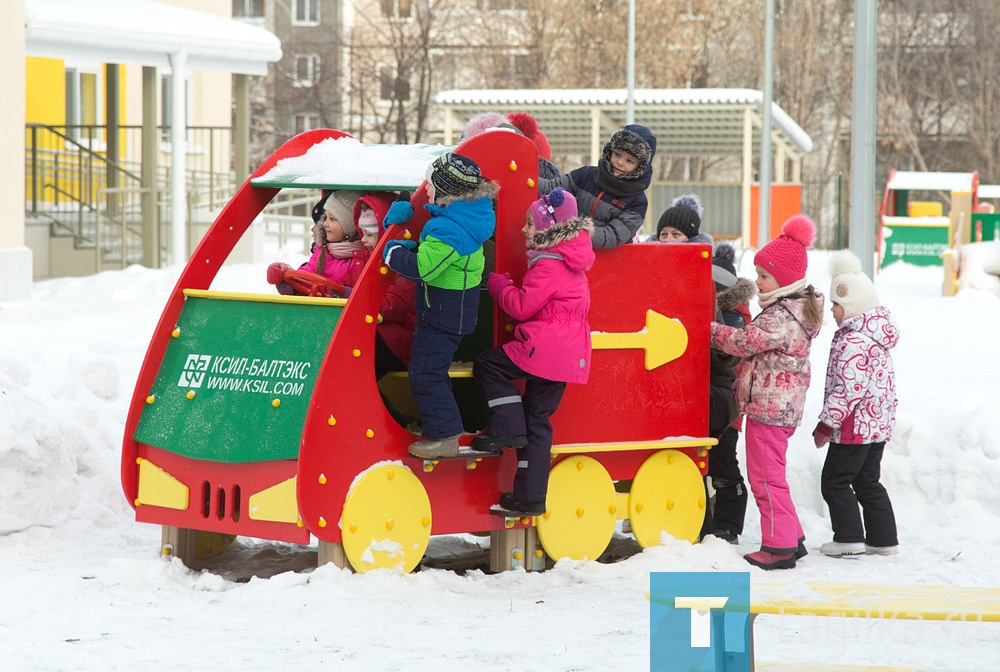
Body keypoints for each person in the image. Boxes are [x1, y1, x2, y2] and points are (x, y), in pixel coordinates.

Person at [709, 215, 824, 570]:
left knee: (764, 478)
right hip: (776, 409)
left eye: (764, 276)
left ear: (785, 280)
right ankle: (792, 535)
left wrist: (709, 329)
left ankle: (779, 547)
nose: (758, 282)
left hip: (768, 412)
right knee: (771, 474)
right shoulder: (795, 310)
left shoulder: (780, 317)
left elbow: (744, 342)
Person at [472, 188, 594, 514]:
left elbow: (522, 306)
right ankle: (530, 496)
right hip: (569, 355)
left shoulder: (548, 265)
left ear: (546, 230)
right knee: (538, 422)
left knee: (487, 365)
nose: (524, 230)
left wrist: (499, 285)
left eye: (529, 224)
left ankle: (507, 428)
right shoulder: (572, 264)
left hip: (545, 349)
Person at [381, 153, 498, 459]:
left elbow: (424, 269)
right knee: (428, 371)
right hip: (446, 311)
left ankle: (445, 435)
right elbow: (433, 257)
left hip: (443, 315)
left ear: (447, 192)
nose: (427, 191)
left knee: (426, 374)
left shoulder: (450, 229)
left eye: (431, 186)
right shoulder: (458, 221)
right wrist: (407, 242)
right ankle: (443, 428)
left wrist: (392, 251)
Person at [813, 250, 900, 557]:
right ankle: (883, 539)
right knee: (867, 481)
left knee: (835, 481)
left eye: (837, 305)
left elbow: (848, 388)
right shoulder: (875, 336)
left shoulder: (853, 341)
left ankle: (848, 537)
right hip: (876, 426)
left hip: (853, 427)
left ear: (852, 306)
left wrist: (826, 423)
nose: (832, 311)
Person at [702, 243, 756, 544]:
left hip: (728, 405)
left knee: (723, 463)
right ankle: (712, 520)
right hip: (715, 399)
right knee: (710, 461)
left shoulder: (732, 317)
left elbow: (731, 360)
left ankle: (729, 523)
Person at [538, 124, 657, 249]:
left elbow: (614, 235)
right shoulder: (587, 175)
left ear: (640, 168)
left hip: (603, 259)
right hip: (566, 249)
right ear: (610, 151)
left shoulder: (637, 202)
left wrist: (580, 233)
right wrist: (527, 178)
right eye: (617, 154)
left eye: (629, 161)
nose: (620, 162)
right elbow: (552, 186)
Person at [266, 190, 367, 294]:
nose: (325, 224)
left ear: (350, 227)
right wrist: (287, 279)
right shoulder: (322, 252)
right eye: (325, 218)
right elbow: (306, 275)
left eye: (332, 219)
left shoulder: (360, 259)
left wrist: (347, 294)